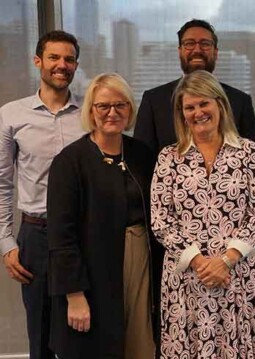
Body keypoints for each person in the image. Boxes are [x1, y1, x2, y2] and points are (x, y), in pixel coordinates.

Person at [150, 69, 255, 358]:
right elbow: (160, 220)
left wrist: (226, 261)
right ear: (181, 114)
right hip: (186, 281)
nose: (198, 112)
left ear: (220, 104)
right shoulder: (169, 157)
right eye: (189, 107)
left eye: (204, 103)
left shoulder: (247, 152)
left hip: (236, 277)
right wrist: (199, 261)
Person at [46, 73, 156, 358]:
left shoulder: (142, 154)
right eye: (103, 106)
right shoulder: (70, 161)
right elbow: (61, 236)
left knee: (139, 345)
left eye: (120, 105)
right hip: (92, 272)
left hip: (141, 263)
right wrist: (74, 294)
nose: (112, 112)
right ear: (91, 111)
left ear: (130, 109)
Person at [0, 30, 83, 359]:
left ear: (76, 65)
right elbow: (2, 182)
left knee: (85, 331)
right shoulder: (11, 114)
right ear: (38, 61)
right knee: (42, 336)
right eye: (54, 57)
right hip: (36, 235)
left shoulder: (90, 113)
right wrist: (7, 244)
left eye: (69, 59)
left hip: (82, 234)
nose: (62, 65)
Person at [135, 19, 255, 152]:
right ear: (180, 51)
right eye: (189, 44)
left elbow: (253, 161)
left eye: (205, 44)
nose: (197, 49)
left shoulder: (241, 101)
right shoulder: (153, 100)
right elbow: (141, 160)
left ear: (215, 52)